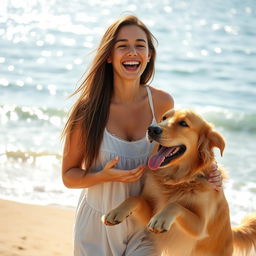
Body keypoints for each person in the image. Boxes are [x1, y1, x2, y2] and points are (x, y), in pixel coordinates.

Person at [61, 15, 222, 256]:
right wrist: (102, 176)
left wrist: (210, 172)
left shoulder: (161, 102)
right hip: (96, 224)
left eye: (140, 45)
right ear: (108, 56)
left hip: (146, 225)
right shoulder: (88, 110)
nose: (132, 52)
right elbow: (69, 176)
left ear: (149, 56)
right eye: (122, 46)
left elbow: (181, 148)